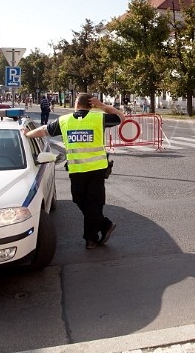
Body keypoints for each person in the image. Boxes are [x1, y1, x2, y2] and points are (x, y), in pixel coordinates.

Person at [25, 93, 124, 249]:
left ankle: (90, 239)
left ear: (76, 104)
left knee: (90, 204)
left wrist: (26, 134)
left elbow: (43, 130)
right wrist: (102, 106)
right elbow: (120, 116)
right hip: (87, 170)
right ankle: (105, 224)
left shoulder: (71, 120)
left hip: (89, 170)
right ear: (91, 105)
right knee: (84, 202)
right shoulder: (95, 118)